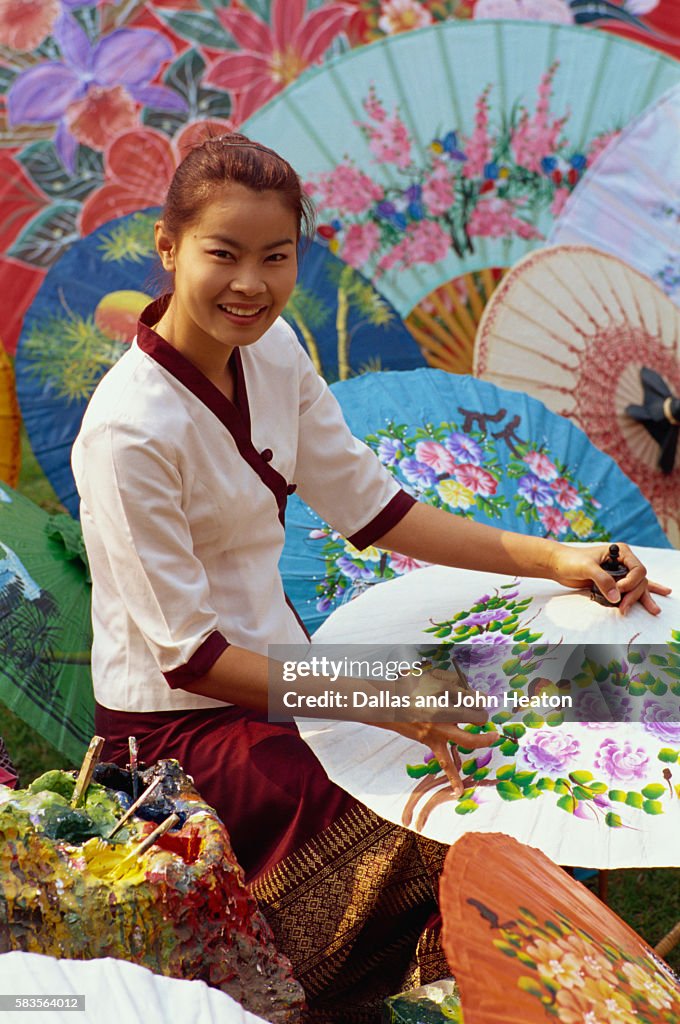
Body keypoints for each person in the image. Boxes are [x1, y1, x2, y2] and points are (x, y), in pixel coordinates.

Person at [71, 133, 669, 1022]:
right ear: (169, 249)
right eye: (222, 255)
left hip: (292, 681)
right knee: (444, 824)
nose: (250, 285)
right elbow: (192, 657)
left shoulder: (273, 355)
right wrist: (382, 695)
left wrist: (559, 559)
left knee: (516, 720)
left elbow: (375, 510)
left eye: (276, 259)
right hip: (181, 737)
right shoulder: (128, 432)